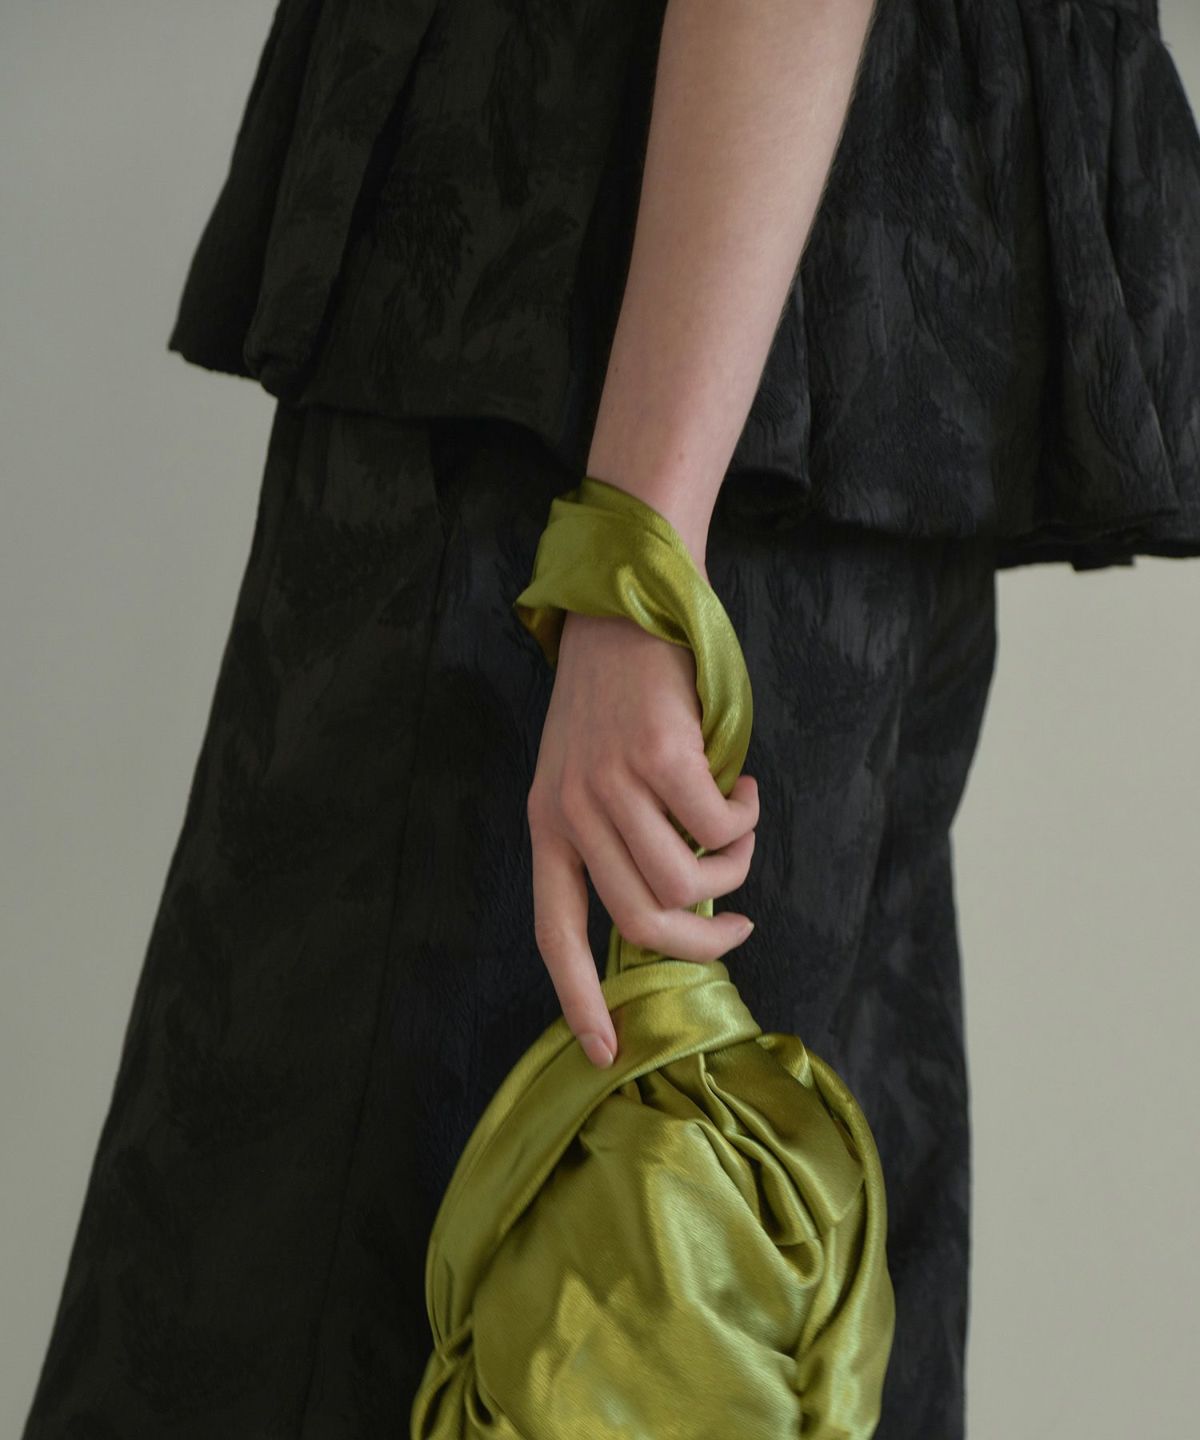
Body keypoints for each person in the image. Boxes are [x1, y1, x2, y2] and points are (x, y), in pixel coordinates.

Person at [20, 2, 1200, 1438]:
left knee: (338, 1318)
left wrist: (635, 554)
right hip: (775, 341)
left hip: (618, 372)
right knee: (740, 1312)